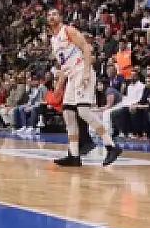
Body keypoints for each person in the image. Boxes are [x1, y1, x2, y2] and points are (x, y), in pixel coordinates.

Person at [46, 8, 122, 167]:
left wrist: (87, 71)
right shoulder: (53, 40)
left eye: (54, 14)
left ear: (60, 17)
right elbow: (64, 66)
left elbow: (87, 48)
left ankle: (111, 146)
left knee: (83, 111)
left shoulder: (68, 30)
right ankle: (74, 155)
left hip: (82, 71)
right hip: (71, 76)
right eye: (49, 15)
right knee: (68, 113)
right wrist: (59, 85)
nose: (52, 17)